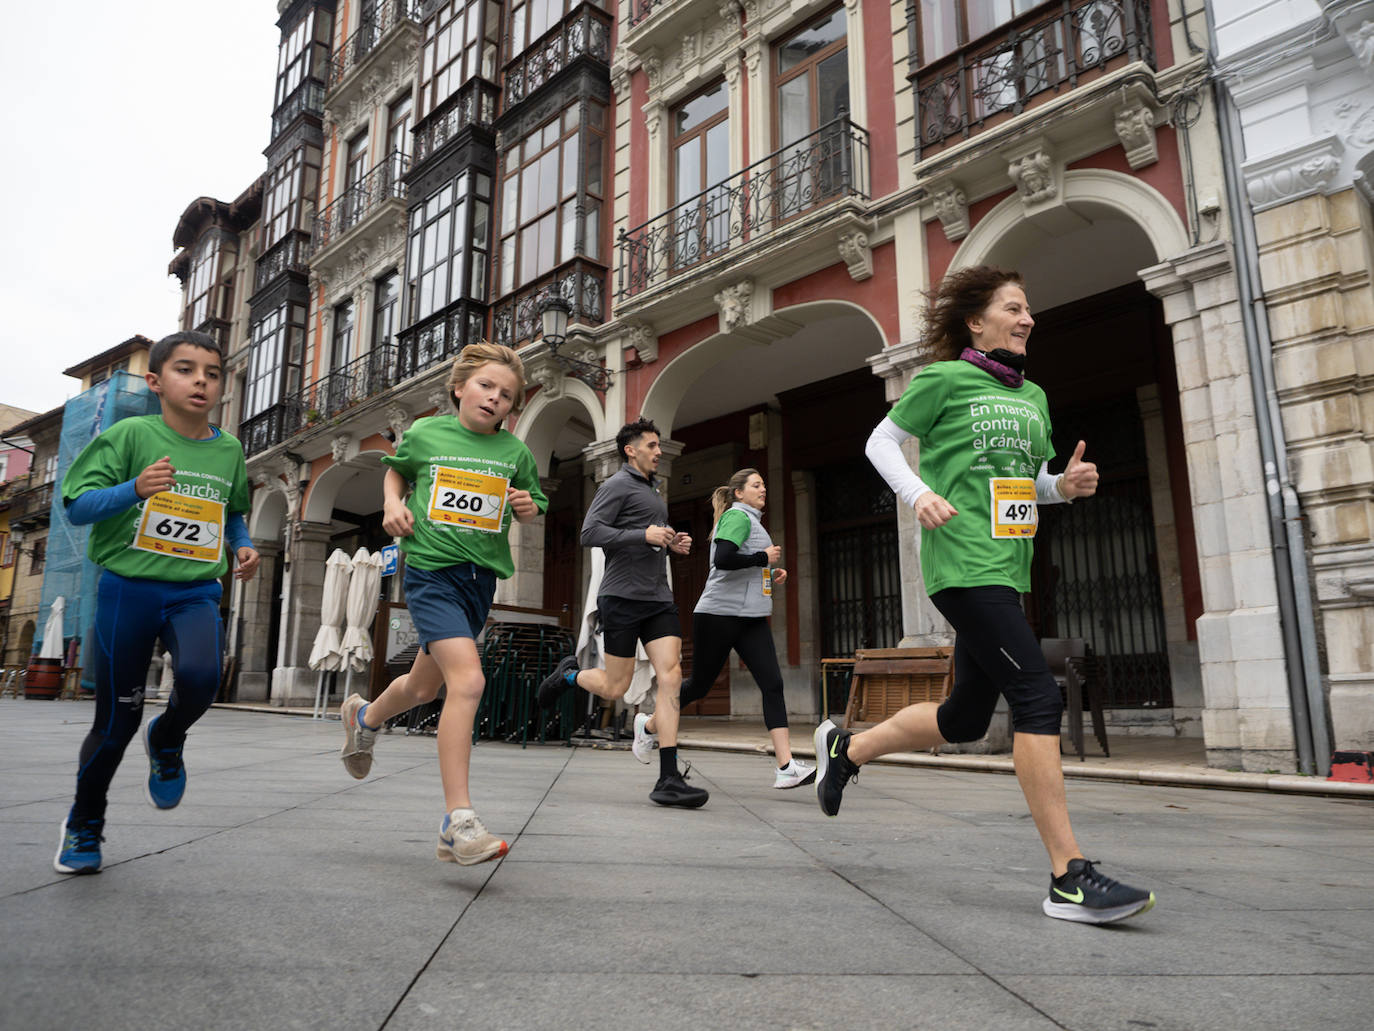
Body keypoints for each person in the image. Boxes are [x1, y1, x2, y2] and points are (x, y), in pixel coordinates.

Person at [813, 266, 1156, 925]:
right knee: (1036, 694)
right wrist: (917, 493)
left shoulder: (1035, 397)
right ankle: (1069, 875)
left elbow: (1030, 482)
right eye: (1014, 308)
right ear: (977, 321)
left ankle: (845, 750)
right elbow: (878, 440)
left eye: (1030, 310)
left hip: (1008, 565)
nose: (1028, 319)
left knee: (965, 717)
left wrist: (1065, 486)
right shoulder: (942, 380)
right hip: (962, 564)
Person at [54, 330, 258, 874]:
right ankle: (83, 826)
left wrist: (242, 544)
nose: (200, 381)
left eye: (212, 374)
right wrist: (134, 490)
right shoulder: (129, 436)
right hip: (129, 588)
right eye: (186, 370)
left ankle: (167, 739)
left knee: (200, 677)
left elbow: (231, 509)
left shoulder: (229, 448)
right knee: (116, 721)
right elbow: (76, 507)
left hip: (195, 590)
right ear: (155, 380)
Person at [337, 343, 547, 866]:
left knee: (423, 686)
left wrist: (525, 503)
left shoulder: (515, 453)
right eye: (485, 386)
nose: (495, 398)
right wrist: (391, 502)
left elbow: (533, 501)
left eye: (506, 395)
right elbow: (397, 470)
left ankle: (363, 718)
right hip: (432, 573)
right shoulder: (428, 433)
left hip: (479, 583)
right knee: (468, 681)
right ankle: (458, 821)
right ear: (459, 388)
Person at [535, 418, 707, 809]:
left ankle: (668, 777)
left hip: (658, 597)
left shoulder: (653, 490)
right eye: (651, 445)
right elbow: (589, 534)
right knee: (616, 686)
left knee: (672, 675)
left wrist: (670, 542)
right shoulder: (614, 485)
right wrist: (641, 535)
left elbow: (646, 536)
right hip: (622, 597)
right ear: (630, 450)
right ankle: (570, 675)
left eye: (658, 445)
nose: (659, 451)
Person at [639, 468, 814, 789]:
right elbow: (723, 558)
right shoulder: (739, 517)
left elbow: (742, 564)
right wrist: (763, 556)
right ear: (739, 493)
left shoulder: (752, 521)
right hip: (718, 615)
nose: (763, 489)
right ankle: (649, 726)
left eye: (764, 484)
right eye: (756, 485)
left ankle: (786, 765)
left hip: (750, 618)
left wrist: (769, 572)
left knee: (772, 683)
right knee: (701, 686)